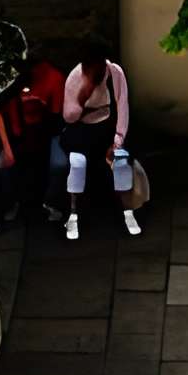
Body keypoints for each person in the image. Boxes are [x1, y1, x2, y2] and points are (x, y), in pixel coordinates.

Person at [52, 54, 141, 240]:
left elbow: (122, 105)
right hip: (81, 131)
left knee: (121, 161)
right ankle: (73, 214)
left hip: (107, 130)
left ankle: (128, 212)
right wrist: (85, 93)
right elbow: (69, 116)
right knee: (77, 164)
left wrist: (117, 141)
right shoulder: (75, 78)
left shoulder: (115, 73)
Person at [0, 56, 60, 234]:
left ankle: (38, 203)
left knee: (38, 163)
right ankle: (6, 204)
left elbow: (54, 115)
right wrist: (7, 148)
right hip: (5, 131)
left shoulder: (50, 78)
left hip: (35, 132)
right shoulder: (6, 88)